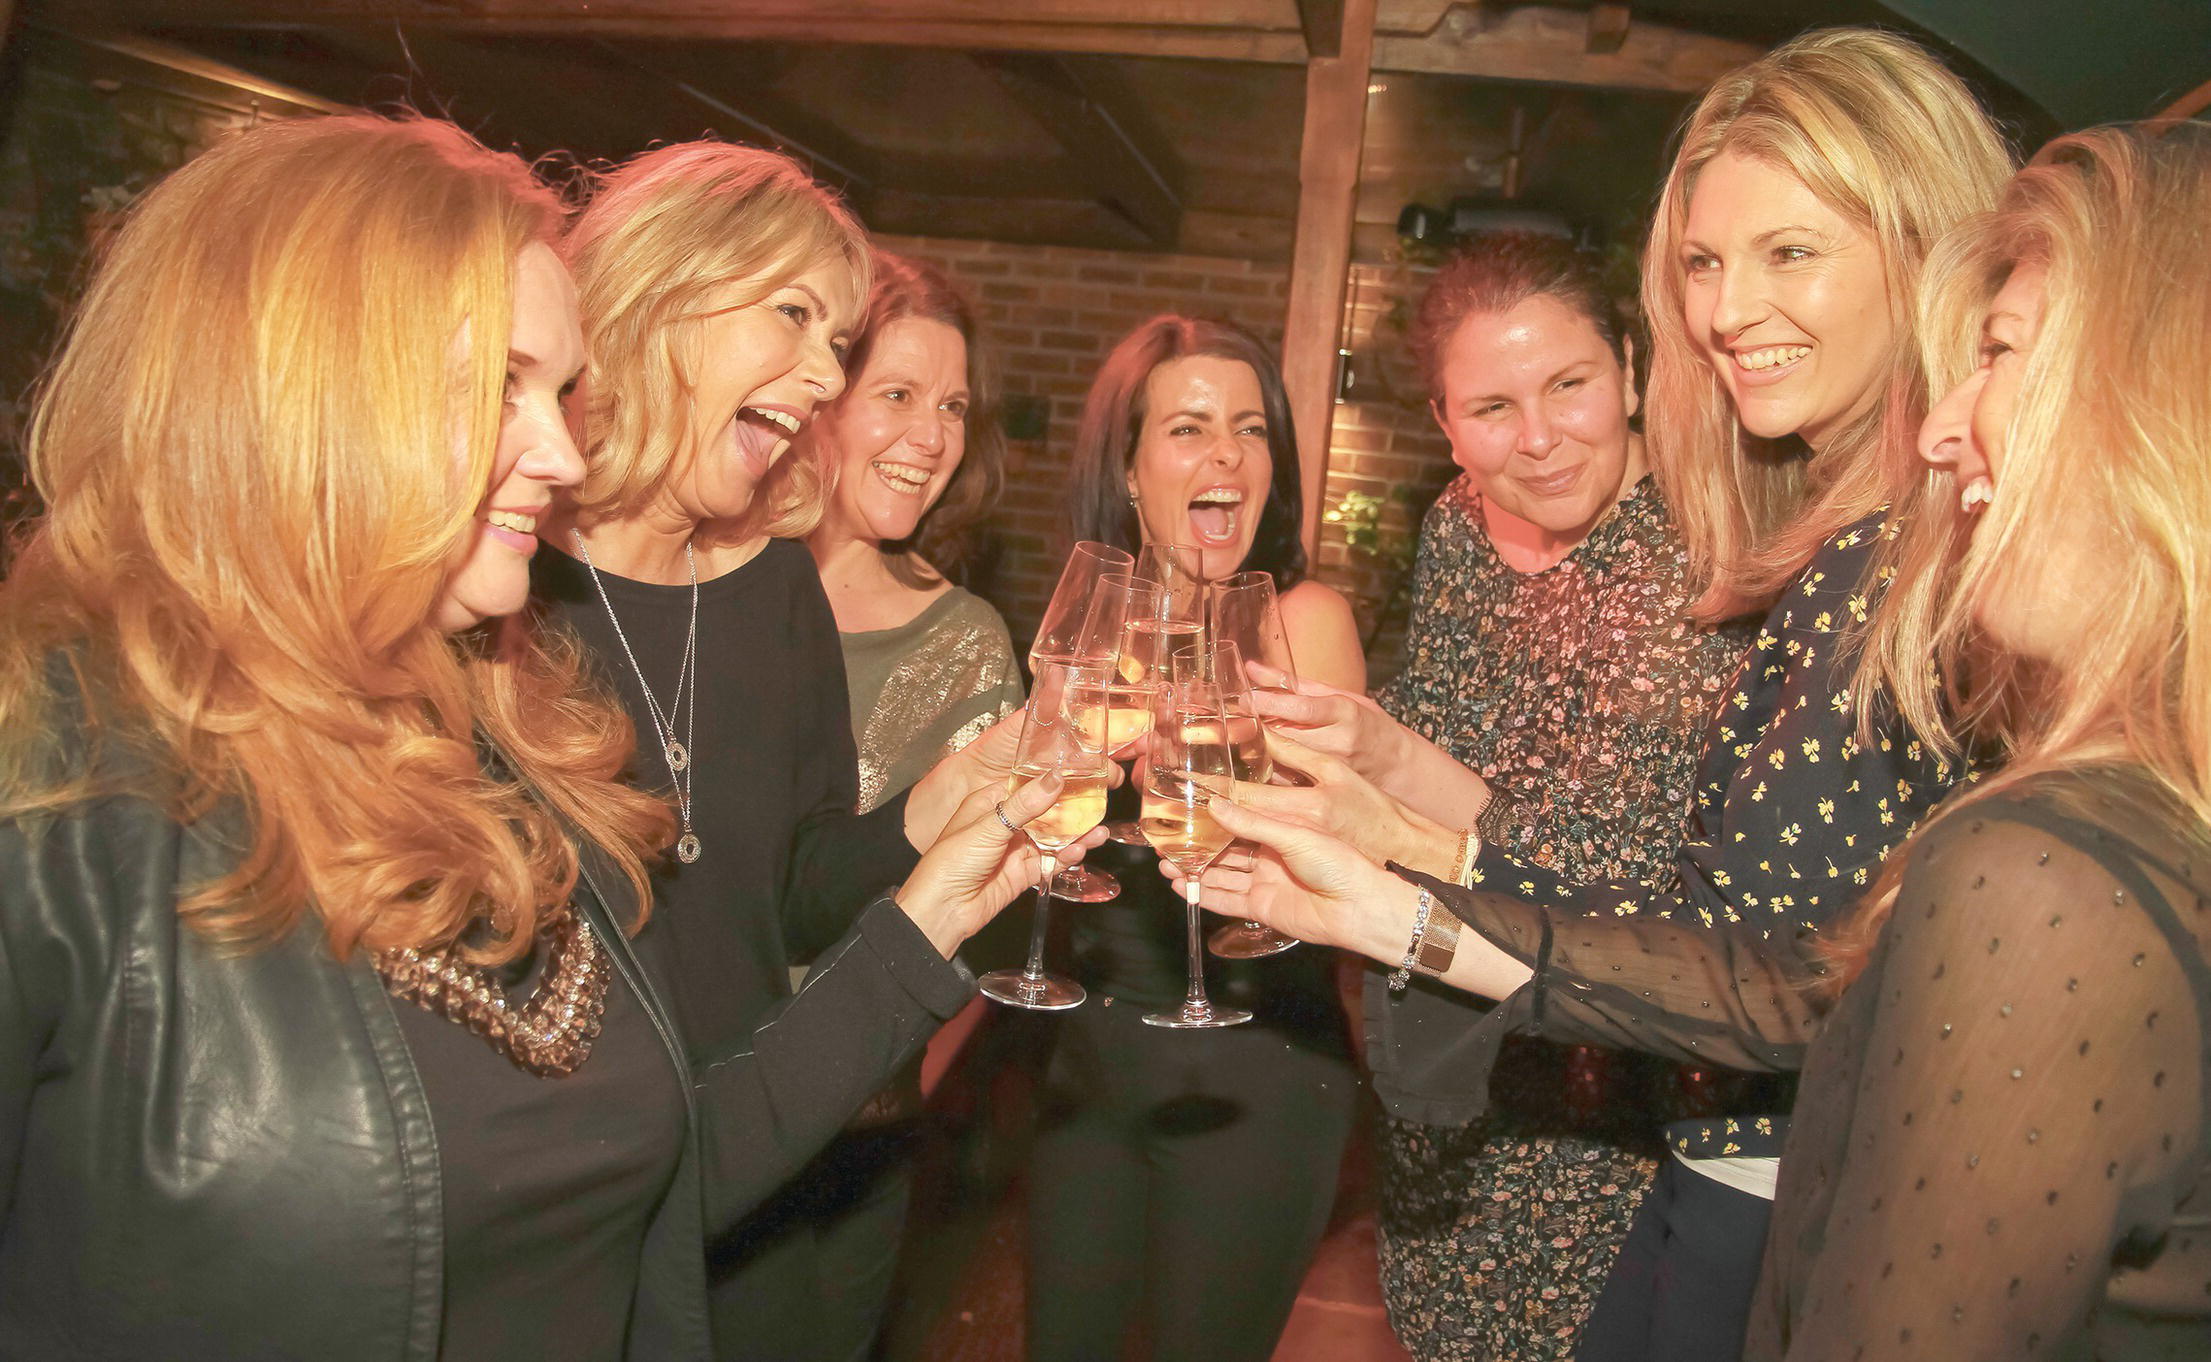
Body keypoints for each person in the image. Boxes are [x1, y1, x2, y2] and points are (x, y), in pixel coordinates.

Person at [0, 113, 1086, 1362]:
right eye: (505, 386)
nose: (562, 451)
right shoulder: (68, 783)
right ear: (301, 389)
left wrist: (933, 888)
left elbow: (663, 1157)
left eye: (557, 389)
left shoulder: (505, 733)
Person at [1199, 119, 2211, 1361]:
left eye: (1999, 353)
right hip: (1556, 1101)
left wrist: (1408, 856)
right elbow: (1788, 968)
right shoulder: (1462, 540)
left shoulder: (1747, 560)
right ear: (1446, 426)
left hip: (1638, 1122)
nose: (1735, 313)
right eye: (1706, 265)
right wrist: (1386, 842)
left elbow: (1738, 951)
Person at [538, 141, 1041, 1362]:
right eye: (798, 317)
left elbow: (801, 882)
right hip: (574, 1211)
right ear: (663, 294)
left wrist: (937, 806)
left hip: (772, 1160)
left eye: (837, 336)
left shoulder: (772, 588)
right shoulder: (505, 593)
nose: (827, 373)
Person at [1368, 233, 1752, 1361]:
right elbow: (1446, 731)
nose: (1536, 439)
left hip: (1614, 1101)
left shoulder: (1710, 550)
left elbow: (1606, 867)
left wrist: (1380, 764)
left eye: (1569, 385)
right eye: (1491, 407)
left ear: (1630, 367)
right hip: (1449, 1064)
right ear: (1445, 424)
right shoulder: (1455, 533)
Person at [1025, 315, 1365, 1362]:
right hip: (1091, 1051)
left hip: (1255, 1062)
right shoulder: (1094, 621)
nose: (1226, 454)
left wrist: (1209, 758)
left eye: (1250, 429)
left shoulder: (1302, 618)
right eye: (1189, 428)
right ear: (1128, 471)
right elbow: (1047, 809)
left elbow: (1322, 840)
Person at [797, 251, 1024, 1358]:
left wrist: (889, 1088)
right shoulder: (706, 587)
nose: (931, 438)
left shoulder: (963, 638)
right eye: (897, 395)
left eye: (952, 408)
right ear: (816, 393)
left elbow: (983, 916)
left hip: (848, 1131)